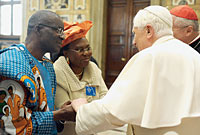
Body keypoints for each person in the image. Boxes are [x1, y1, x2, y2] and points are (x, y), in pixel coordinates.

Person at [71, 5, 200, 135]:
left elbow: (112, 111)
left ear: (149, 31)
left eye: (135, 34)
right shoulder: (194, 55)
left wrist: (82, 110)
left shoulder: (149, 56)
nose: (134, 42)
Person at [0, 10, 75, 134]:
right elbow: (12, 124)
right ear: (38, 29)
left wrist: (61, 114)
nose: (63, 36)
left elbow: (42, 110)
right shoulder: (12, 64)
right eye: (58, 30)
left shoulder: (48, 65)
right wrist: (58, 115)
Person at [54, 20, 127, 135]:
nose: (86, 53)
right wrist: (96, 109)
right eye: (79, 50)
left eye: (88, 48)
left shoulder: (93, 68)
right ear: (66, 53)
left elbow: (105, 98)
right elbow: (67, 112)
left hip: (97, 128)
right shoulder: (57, 72)